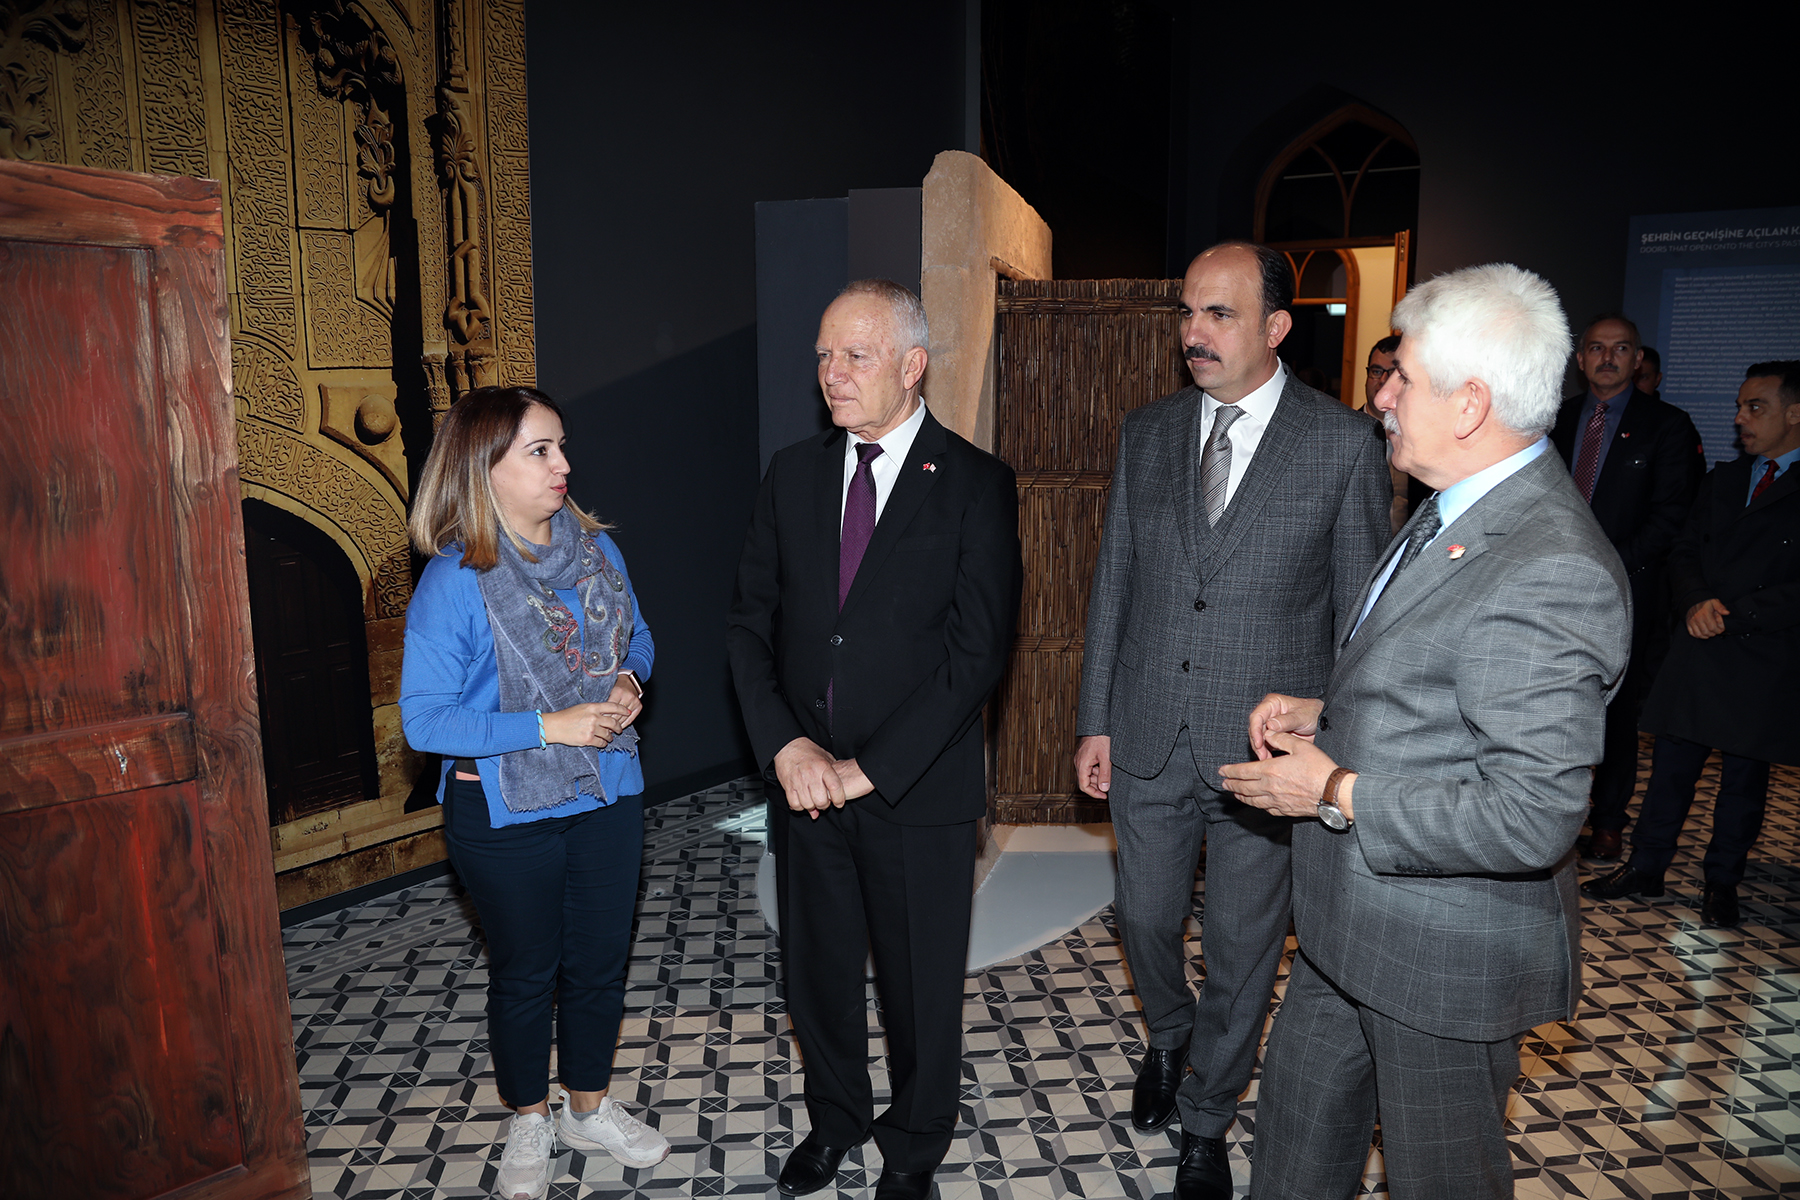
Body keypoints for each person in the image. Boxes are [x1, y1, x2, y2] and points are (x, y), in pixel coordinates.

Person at [1218, 263, 1631, 1199]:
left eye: (1402, 377)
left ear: (1471, 404)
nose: (1382, 396)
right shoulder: (1454, 501)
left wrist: (1332, 787)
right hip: (1347, 927)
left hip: (1445, 957)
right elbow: (1448, 681)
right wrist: (1329, 712)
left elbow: (1531, 815)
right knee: (1292, 1159)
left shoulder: (1550, 566)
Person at [1073, 242, 1390, 1198]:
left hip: (1266, 757)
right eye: (1188, 312)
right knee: (1145, 919)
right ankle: (1170, 1037)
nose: (1194, 332)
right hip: (1146, 730)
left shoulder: (1340, 443)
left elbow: (1360, 617)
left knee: (1244, 952)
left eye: (1219, 313)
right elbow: (1115, 582)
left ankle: (1208, 1116)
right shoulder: (1148, 431)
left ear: (1276, 327)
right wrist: (1095, 719)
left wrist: (1330, 740)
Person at [726, 279, 1022, 1200]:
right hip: (806, 786)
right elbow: (749, 626)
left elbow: (977, 655)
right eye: (824, 355)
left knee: (918, 987)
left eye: (855, 356)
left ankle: (915, 1147)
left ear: (912, 364)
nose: (832, 374)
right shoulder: (792, 473)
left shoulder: (975, 483)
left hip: (916, 790)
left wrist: (869, 769)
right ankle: (835, 1121)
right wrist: (785, 748)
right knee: (816, 975)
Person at [400, 386, 669, 1200]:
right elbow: (424, 721)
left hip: (608, 786)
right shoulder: (455, 580)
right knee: (526, 972)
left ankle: (587, 1106)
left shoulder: (597, 552)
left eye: (561, 446)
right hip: (503, 804)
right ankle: (528, 1116)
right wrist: (551, 726)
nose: (564, 465)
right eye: (540, 451)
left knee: (599, 962)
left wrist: (627, 680)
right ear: (484, 468)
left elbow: (639, 638)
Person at [1582, 360, 1800, 928]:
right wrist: (1697, 601)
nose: (1740, 418)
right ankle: (1646, 866)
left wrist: (1733, 615)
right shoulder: (1725, 479)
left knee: (1742, 783)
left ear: (1794, 415)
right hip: (1698, 644)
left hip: (1760, 654)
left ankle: (1722, 882)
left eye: (1756, 407)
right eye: (1740, 406)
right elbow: (1683, 549)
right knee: (1670, 770)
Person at [1550, 315, 1703, 861]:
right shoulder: (1556, 419)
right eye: (1596, 348)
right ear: (1580, 359)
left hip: (1627, 591)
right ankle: (1553, 813)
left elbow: (1671, 518)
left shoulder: (1668, 426)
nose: (1607, 358)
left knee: (1613, 712)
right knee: (1550, 704)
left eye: (1620, 349)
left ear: (1638, 360)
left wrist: (1603, 567)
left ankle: (1608, 820)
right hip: (1550, 585)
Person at [1368, 333, 1425, 533]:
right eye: (1376, 371)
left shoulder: (1426, 440)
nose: (1383, 381)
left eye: (1395, 373)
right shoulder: (1342, 437)